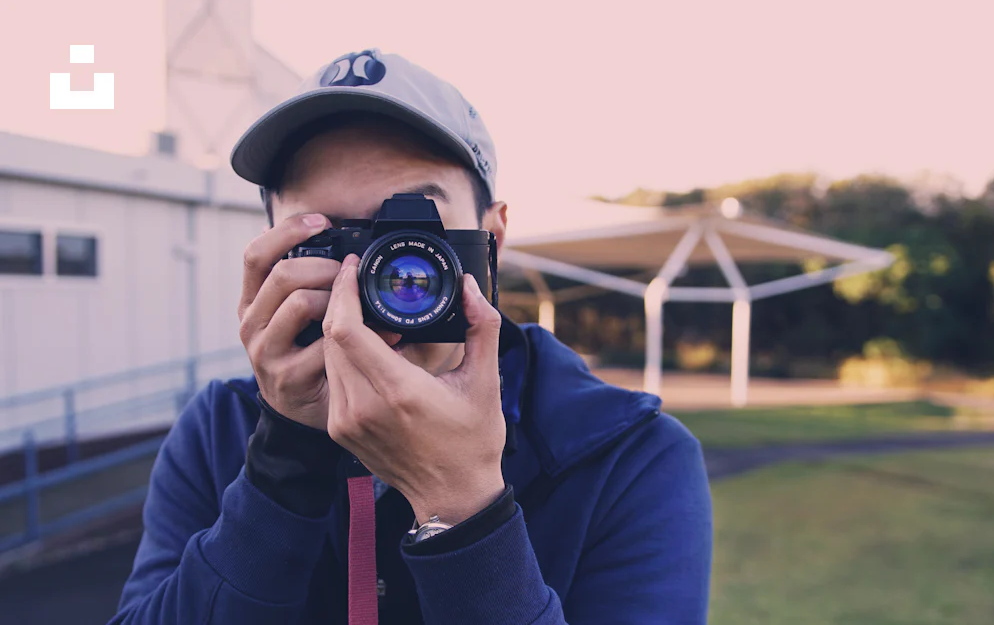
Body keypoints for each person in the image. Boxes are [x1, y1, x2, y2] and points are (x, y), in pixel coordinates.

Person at [110, 49, 713, 624]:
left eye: (411, 230)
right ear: (274, 252)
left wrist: (464, 509)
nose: (378, 275)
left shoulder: (627, 456)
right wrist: (283, 462)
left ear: (492, 241)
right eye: (329, 238)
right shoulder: (219, 431)